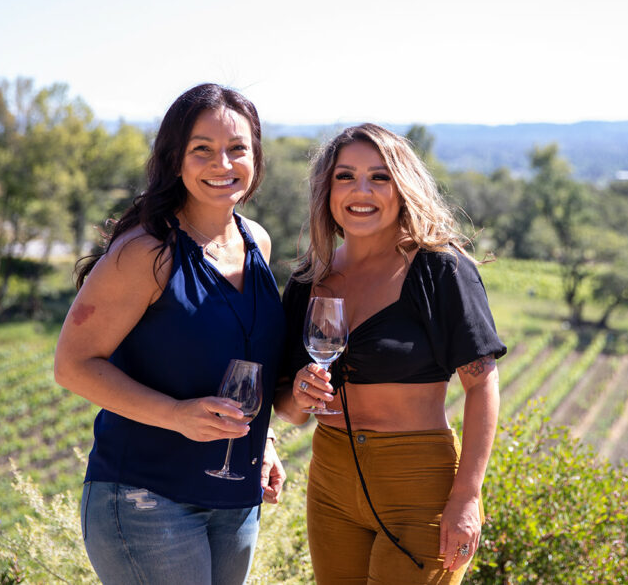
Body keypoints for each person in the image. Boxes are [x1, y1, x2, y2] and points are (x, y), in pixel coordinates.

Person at [54, 83, 291, 585]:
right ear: (174, 159)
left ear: (256, 157)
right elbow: (72, 365)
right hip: (146, 495)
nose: (221, 163)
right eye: (201, 149)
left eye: (237, 149)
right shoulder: (146, 252)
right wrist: (176, 416)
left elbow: (244, 361)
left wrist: (263, 437)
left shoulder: (257, 243)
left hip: (235, 499)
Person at [275, 123, 506, 584]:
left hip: (418, 482)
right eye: (346, 176)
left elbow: (482, 384)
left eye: (379, 177)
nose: (362, 191)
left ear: (403, 188)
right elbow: (289, 409)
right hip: (331, 481)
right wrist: (299, 396)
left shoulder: (439, 269)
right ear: (327, 190)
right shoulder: (309, 279)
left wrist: (467, 496)